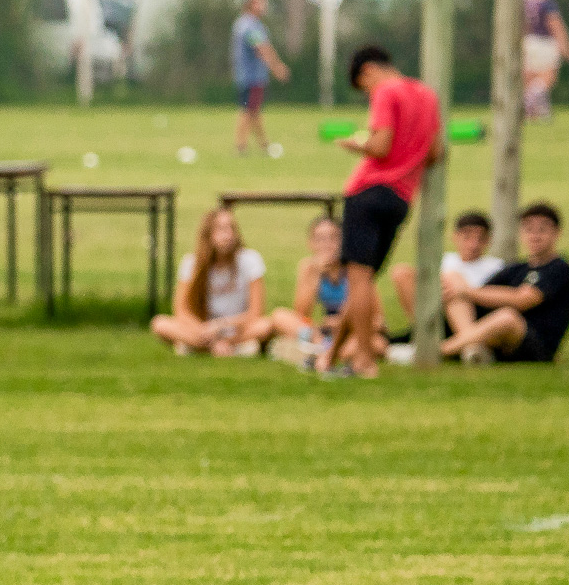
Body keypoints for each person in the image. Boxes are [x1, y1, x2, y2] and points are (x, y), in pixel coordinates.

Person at [320, 45, 442, 379]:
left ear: (368, 72)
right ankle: (329, 358)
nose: (368, 93)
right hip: (402, 197)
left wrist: (354, 143)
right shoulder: (428, 96)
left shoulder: (387, 91)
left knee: (357, 281)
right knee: (365, 281)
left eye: (365, 88)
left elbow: (381, 146)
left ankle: (362, 361)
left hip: (368, 191)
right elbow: (435, 152)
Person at [441, 202, 569, 365]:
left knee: (507, 316)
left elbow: (523, 300)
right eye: (529, 229)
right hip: (500, 340)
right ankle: (471, 348)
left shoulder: (559, 268)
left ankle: (439, 350)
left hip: (535, 345)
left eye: (542, 230)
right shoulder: (517, 268)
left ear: (556, 233)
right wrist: (460, 290)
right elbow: (483, 292)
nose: (535, 236)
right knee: (454, 278)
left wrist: (466, 291)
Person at [151, 207, 273, 357]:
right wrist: (205, 331)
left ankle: (199, 347)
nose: (227, 235)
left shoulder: (250, 259)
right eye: (221, 229)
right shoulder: (191, 263)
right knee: (160, 324)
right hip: (204, 330)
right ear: (208, 235)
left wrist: (221, 325)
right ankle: (225, 348)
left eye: (231, 228)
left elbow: (256, 312)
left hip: (237, 328)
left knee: (266, 326)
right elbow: (181, 310)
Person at [268, 214, 384, 366]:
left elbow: (379, 321)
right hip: (321, 334)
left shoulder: (357, 270)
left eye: (333, 238)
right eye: (320, 239)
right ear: (311, 243)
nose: (327, 245)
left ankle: (319, 353)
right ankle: (321, 348)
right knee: (279, 316)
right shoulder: (309, 267)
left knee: (376, 345)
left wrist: (341, 323)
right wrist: (316, 275)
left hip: (351, 333)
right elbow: (301, 314)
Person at [390, 210, 505, 338]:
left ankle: (468, 339)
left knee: (454, 285)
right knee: (401, 272)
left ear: (488, 240)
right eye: (467, 237)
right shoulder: (443, 261)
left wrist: (464, 291)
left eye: (480, 239)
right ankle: (424, 332)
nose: (474, 244)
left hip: (475, 314)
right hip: (440, 311)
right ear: (455, 236)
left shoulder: (496, 266)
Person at [231, 0, 290, 155]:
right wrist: (277, 67)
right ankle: (241, 146)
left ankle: (264, 145)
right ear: (251, 5)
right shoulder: (249, 26)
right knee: (248, 111)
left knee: (253, 111)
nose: (264, 7)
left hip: (247, 76)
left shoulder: (244, 23)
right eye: (260, 4)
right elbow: (261, 48)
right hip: (252, 77)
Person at [522, 0, 569, 123]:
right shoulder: (546, 1)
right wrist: (566, 46)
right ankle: (529, 104)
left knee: (530, 79)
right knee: (547, 78)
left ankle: (538, 112)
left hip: (527, 41)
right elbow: (555, 24)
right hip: (545, 42)